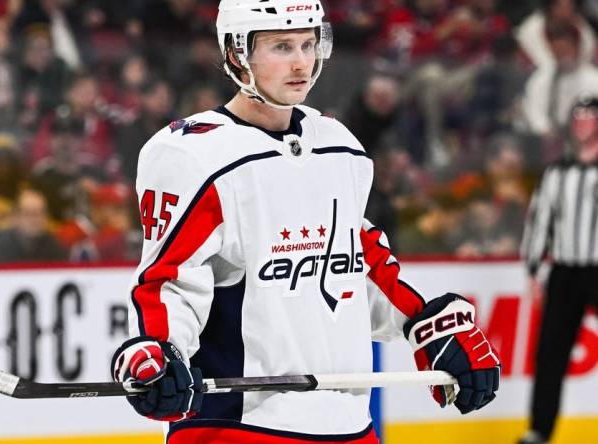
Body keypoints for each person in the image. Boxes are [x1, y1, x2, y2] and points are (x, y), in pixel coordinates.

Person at [110, 2, 501, 443]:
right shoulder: (194, 155)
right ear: (237, 54)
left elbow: (357, 259)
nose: (301, 62)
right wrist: (158, 350)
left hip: (350, 425)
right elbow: (170, 281)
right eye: (281, 46)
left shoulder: (338, 145)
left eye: (308, 44)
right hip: (240, 426)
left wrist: (426, 325)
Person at [519, 96, 598, 444]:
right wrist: (534, 270)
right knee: (549, 353)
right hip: (565, 272)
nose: (581, 123)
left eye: (588, 117)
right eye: (577, 117)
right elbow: (540, 222)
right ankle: (540, 429)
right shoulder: (556, 173)